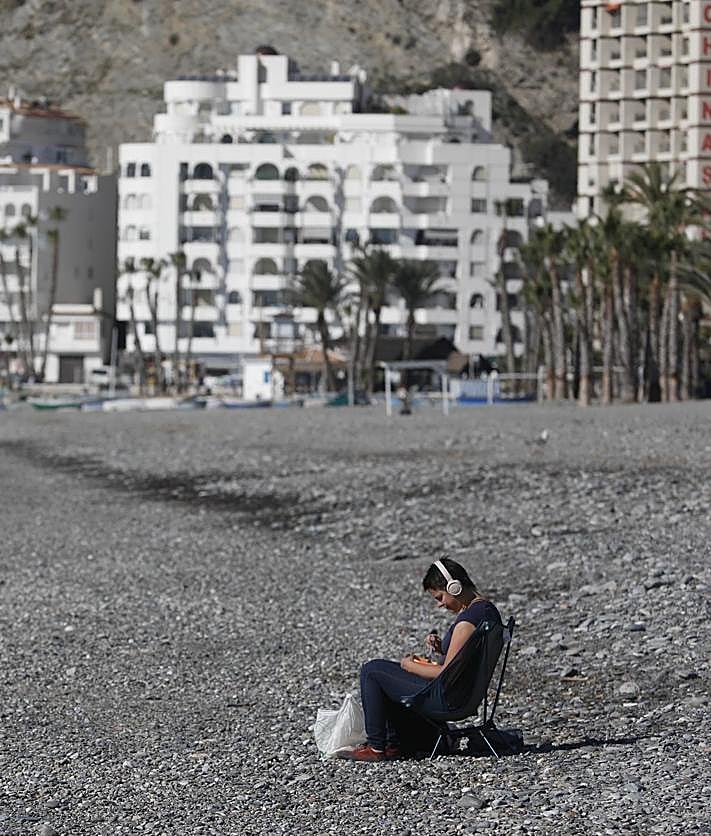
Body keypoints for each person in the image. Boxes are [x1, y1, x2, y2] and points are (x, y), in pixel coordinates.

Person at [339, 558, 502, 762]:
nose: (440, 604)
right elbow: (464, 658)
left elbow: (445, 672)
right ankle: (393, 742)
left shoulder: (467, 621)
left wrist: (410, 666)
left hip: (448, 700)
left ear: (455, 586)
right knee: (385, 672)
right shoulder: (487, 612)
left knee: (372, 671)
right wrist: (442, 646)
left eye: (440, 597)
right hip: (463, 695)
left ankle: (377, 747)